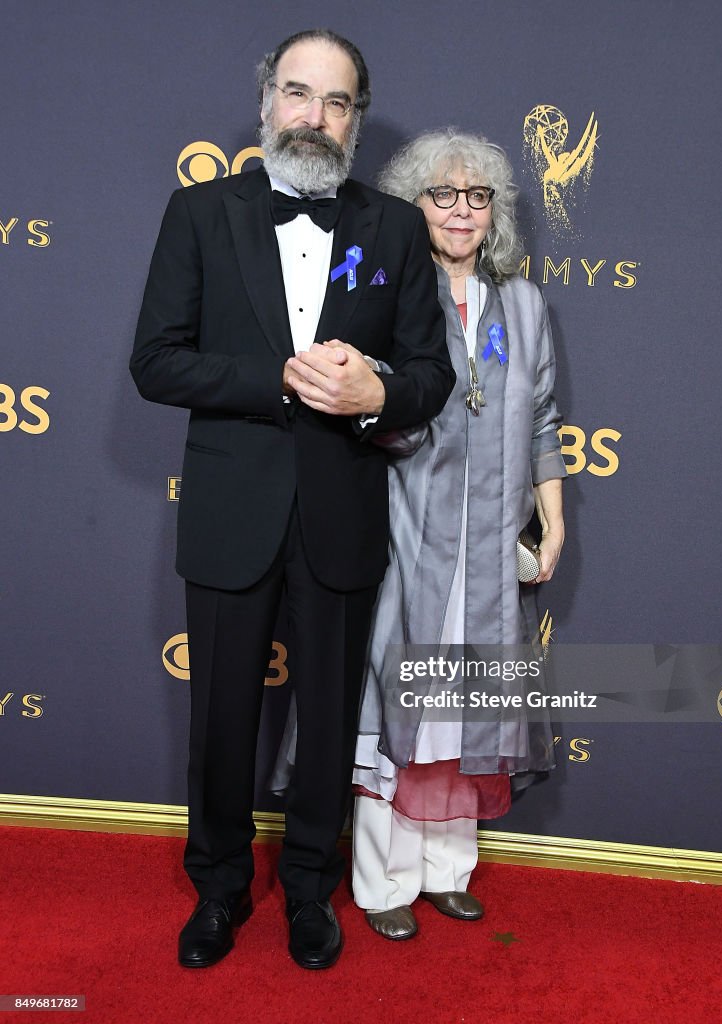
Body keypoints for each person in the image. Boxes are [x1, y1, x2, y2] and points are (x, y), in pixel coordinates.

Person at [130, 31, 454, 970]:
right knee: (222, 719)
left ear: (354, 118)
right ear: (267, 98)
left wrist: (378, 393)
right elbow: (156, 361)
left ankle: (311, 891)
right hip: (232, 510)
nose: (315, 117)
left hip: (341, 514)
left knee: (327, 724)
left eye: (337, 101)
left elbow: (430, 374)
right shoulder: (198, 213)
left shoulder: (394, 227)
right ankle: (219, 889)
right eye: (299, 94)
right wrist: (278, 380)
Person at [350, 129, 567, 940]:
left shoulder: (523, 302)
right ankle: (382, 884)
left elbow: (542, 415)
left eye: (477, 196)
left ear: (495, 211)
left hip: (489, 550)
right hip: (412, 539)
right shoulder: (388, 295)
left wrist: (551, 513)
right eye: (442, 194)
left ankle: (447, 873)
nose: (461, 210)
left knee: (467, 709)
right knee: (406, 703)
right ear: (413, 206)